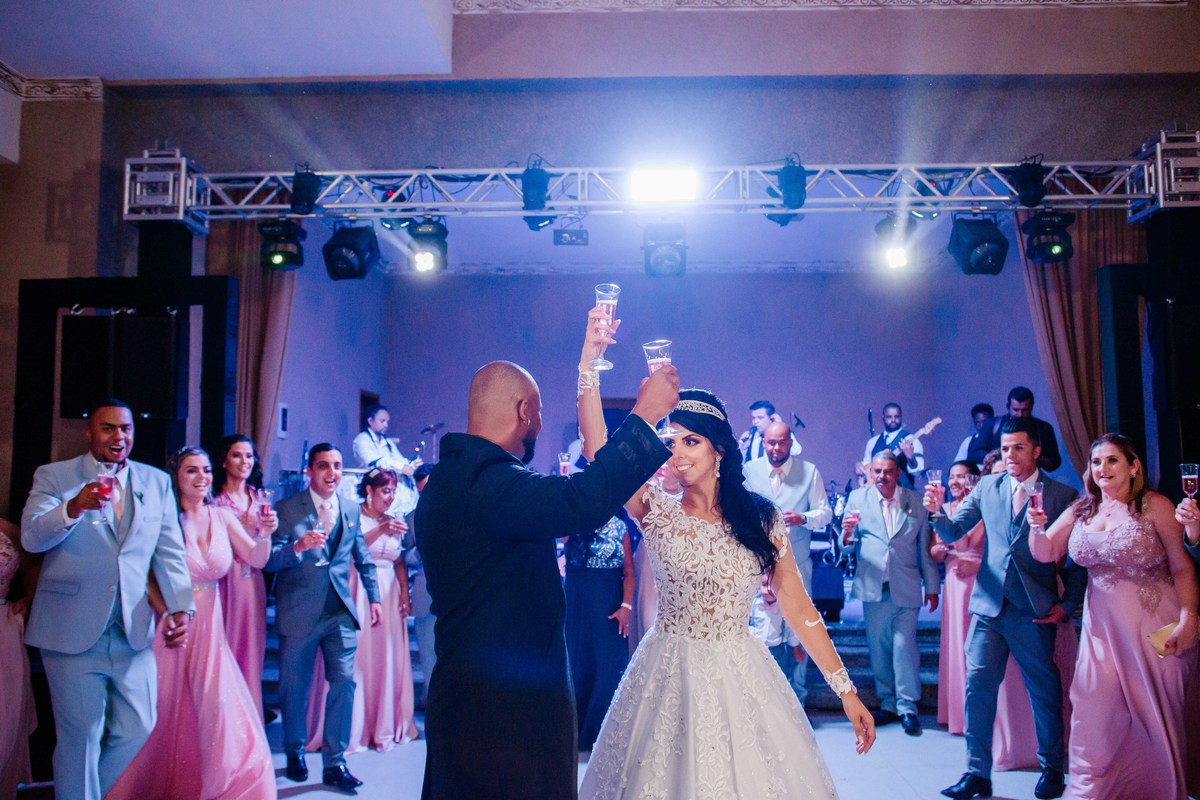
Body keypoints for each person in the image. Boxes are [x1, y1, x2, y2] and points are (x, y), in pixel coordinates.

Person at [414, 306, 679, 800]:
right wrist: (645, 416)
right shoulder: (489, 483)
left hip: (463, 692)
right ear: (524, 412)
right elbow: (582, 502)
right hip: (507, 709)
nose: (537, 422)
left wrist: (589, 364)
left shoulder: (447, 480)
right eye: (536, 411)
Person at [579, 388, 874, 799]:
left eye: (691, 441)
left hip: (739, 670)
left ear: (719, 448)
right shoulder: (656, 509)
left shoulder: (761, 518)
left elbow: (799, 606)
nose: (678, 453)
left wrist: (846, 691)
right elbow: (598, 454)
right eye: (671, 442)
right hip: (666, 671)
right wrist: (589, 367)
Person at [20, 399, 194, 800]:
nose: (120, 437)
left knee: (140, 725)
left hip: (132, 630)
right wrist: (73, 507)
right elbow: (32, 537)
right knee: (81, 736)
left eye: (126, 429)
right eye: (108, 428)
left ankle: (83, 794)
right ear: (89, 432)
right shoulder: (54, 476)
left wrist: (181, 605)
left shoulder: (155, 482)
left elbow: (169, 551)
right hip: (71, 630)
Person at [1029, 434, 1198, 800]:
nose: (1102, 469)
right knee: (1093, 716)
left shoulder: (1154, 506)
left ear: (1133, 465)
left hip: (1154, 627)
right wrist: (1036, 526)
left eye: (1112, 461)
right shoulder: (1082, 509)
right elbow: (1044, 553)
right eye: (1096, 462)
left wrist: (1189, 617)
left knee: (1154, 723)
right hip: (1100, 631)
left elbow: (1183, 567)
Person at [925, 415, 1085, 800]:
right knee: (977, 690)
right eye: (1007, 448)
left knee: (1044, 692)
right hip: (988, 608)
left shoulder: (1062, 495)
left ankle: (1052, 769)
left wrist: (1067, 604)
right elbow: (952, 532)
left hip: (1034, 610)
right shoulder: (988, 487)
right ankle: (977, 774)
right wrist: (936, 511)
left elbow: (1079, 558)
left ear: (1037, 451)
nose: (1010, 455)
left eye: (1019, 448)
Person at [105, 446, 275, 800]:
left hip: (213, 631)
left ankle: (213, 784)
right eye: (192, 471)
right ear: (176, 478)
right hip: (172, 626)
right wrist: (164, 611)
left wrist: (265, 532)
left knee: (218, 710)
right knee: (163, 707)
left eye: (207, 470)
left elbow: (256, 558)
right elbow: (145, 572)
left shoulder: (222, 517)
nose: (202, 478)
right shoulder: (164, 519)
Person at [266, 444, 382, 792]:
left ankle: (335, 762)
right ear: (310, 472)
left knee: (344, 682)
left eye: (337, 466)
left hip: (339, 614)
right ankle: (295, 753)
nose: (331, 473)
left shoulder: (349, 509)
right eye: (323, 466)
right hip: (299, 612)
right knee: (293, 689)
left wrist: (374, 597)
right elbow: (269, 560)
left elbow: (361, 556)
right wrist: (296, 548)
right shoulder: (287, 509)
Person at [307, 467, 418, 753]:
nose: (390, 497)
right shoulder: (352, 514)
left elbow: (398, 560)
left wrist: (405, 592)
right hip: (358, 591)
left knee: (386, 658)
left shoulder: (393, 521)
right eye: (385, 491)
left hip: (390, 593)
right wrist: (380, 528)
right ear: (369, 490)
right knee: (357, 659)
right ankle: (351, 728)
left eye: (393, 491)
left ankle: (383, 724)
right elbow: (350, 550)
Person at [842, 451, 939, 736]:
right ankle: (888, 703)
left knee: (903, 646)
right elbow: (848, 546)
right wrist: (847, 534)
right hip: (873, 585)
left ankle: (907, 706)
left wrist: (932, 587)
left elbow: (924, 549)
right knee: (879, 649)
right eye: (877, 472)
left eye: (888, 471)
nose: (882, 477)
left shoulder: (917, 502)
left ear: (898, 473)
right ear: (871, 473)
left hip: (906, 583)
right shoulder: (858, 499)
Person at [743, 419, 832, 703]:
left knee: (801, 630)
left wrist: (803, 518)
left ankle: (799, 699)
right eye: (771, 442)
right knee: (764, 631)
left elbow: (825, 513)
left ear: (791, 443)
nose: (777, 447)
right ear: (763, 441)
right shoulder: (750, 470)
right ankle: (769, 699)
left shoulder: (809, 471)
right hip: (759, 565)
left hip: (798, 562)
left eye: (782, 442)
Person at [212, 434, 278, 717]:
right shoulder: (216, 500)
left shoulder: (258, 496)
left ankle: (250, 716)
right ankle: (226, 717)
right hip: (227, 580)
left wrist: (269, 530)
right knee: (227, 646)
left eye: (249, 456)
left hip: (254, 582)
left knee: (253, 650)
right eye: (237, 455)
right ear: (225, 461)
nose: (244, 461)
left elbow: (265, 547)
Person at [564, 513, 634, 752]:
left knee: (607, 667)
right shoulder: (575, 522)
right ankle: (573, 733)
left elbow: (629, 572)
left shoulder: (620, 527)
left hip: (609, 606)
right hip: (577, 604)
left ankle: (601, 734)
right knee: (577, 666)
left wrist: (626, 607)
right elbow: (558, 535)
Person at [930, 460, 984, 735]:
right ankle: (957, 715)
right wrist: (943, 547)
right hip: (953, 579)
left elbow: (965, 541)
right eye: (951, 476)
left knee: (974, 645)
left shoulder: (980, 509)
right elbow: (935, 551)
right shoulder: (944, 510)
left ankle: (976, 715)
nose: (954, 482)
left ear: (973, 479)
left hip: (977, 578)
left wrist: (950, 544)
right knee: (955, 644)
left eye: (961, 477)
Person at [0, 519, 37, 800]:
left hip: (4, 635)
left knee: (5, 726)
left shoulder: (6, 528)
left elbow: (35, 563)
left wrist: (29, 598)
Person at [404, 462, 436, 706]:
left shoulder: (465, 511)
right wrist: (420, 550)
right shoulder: (412, 518)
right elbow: (403, 557)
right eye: (421, 490)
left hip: (462, 596)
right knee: (428, 658)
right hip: (426, 596)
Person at [352, 404, 422, 515]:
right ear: (370, 421)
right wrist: (401, 467)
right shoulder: (361, 440)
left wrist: (412, 464)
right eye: (382, 421)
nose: (386, 425)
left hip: (389, 486)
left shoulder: (387, 442)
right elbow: (374, 463)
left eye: (387, 422)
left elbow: (399, 459)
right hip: (371, 485)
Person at [978, 387, 1063, 472]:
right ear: (1008, 406)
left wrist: (1035, 460)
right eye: (1016, 410)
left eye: (1024, 410)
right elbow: (974, 452)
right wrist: (996, 459)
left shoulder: (1043, 428)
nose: (1020, 414)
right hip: (996, 476)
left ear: (1031, 407)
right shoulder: (992, 424)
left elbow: (1054, 461)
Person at [859, 402, 925, 487]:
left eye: (896, 416)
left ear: (901, 417)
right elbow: (867, 470)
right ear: (883, 418)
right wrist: (859, 468)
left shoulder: (911, 440)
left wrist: (911, 458)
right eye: (889, 417)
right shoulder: (872, 442)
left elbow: (918, 473)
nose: (893, 420)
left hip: (903, 495)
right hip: (877, 496)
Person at [953, 404, 994, 468]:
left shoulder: (1001, 438)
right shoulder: (968, 441)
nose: (981, 426)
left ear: (992, 420)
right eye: (977, 423)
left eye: (985, 422)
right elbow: (957, 465)